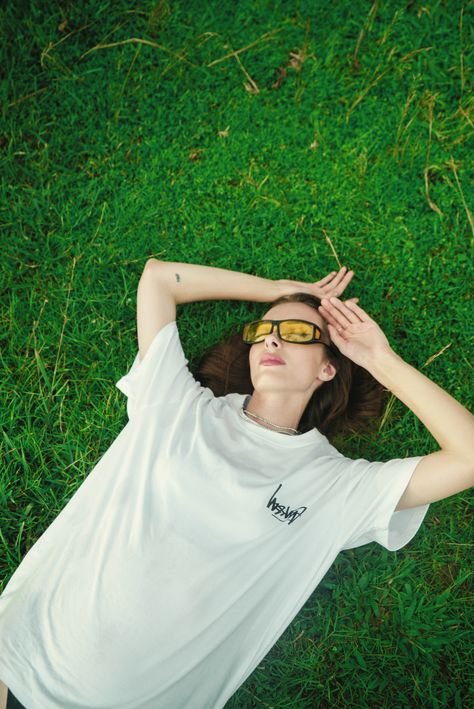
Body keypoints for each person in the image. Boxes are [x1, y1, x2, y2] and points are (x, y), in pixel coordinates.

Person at [0, 259, 472, 709]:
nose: (271, 341)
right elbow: (161, 279)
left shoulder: (334, 486)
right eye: (262, 332)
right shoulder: (177, 404)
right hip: (18, 657)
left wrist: (378, 358)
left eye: (296, 333)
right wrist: (279, 292)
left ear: (328, 367)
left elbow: (467, 457)